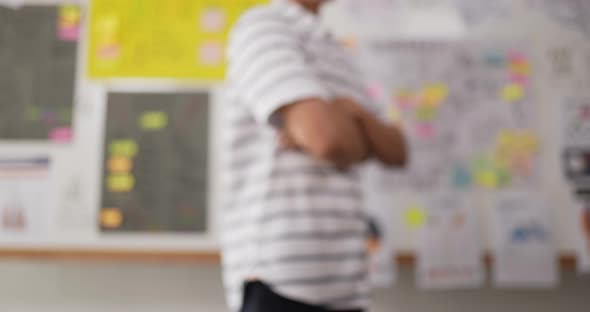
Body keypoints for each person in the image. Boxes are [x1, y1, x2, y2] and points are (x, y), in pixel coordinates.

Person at [221, 0, 407, 311]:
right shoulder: (264, 27)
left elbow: (398, 151)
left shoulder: (338, 50)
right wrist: (354, 133)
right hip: (281, 280)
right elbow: (328, 140)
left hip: (347, 282)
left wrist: (355, 115)